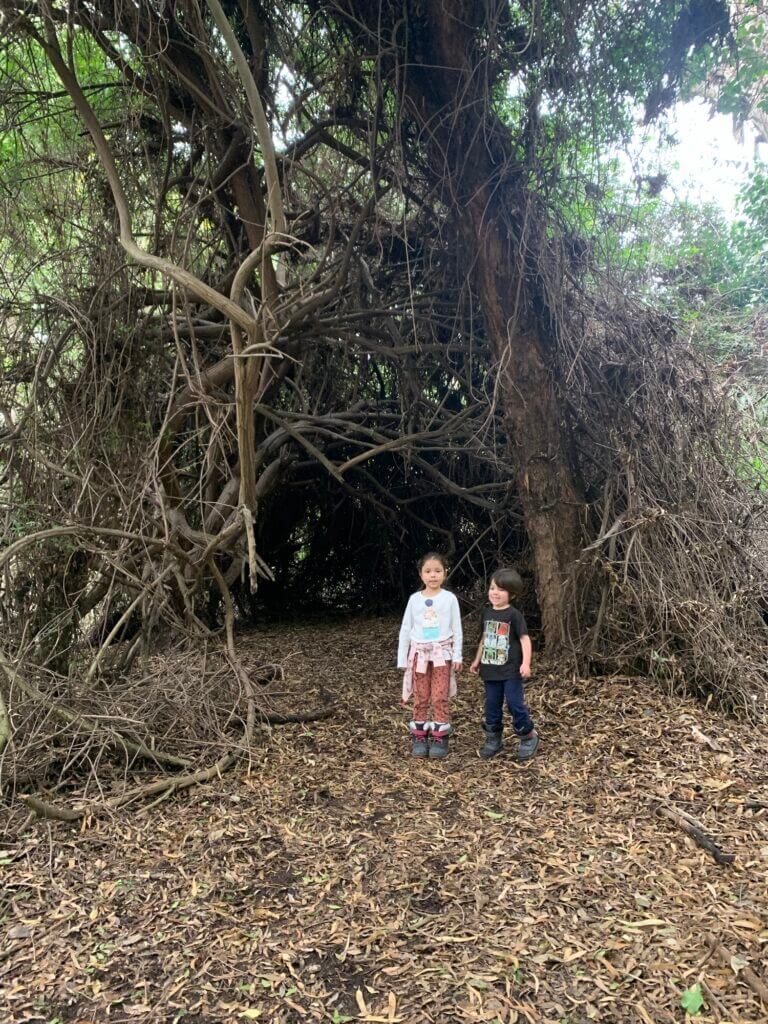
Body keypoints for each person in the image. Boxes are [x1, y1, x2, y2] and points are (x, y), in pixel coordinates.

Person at [469, 568, 539, 760]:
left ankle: (528, 736)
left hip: (510, 669)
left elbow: (525, 639)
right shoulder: (487, 613)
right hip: (490, 668)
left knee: (515, 703)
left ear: (512, 594)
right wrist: (477, 660)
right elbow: (485, 638)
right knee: (491, 705)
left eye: (501, 589)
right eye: (492, 588)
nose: (495, 593)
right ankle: (493, 739)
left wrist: (526, 663)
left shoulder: (514, 615)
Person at [398, 552, 463, 759]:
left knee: (439, 695)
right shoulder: (414, 600)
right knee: (421, 695)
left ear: (445, 573)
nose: (433, 575)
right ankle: (419, 735)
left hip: (442, 654)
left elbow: (457, 628)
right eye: (428, 571)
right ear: (421, 574)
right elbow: (406, 628)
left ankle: (440, 735)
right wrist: (402, 658)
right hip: (419, 655)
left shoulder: (449, 599)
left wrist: (458, 655)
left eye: (437, 571)